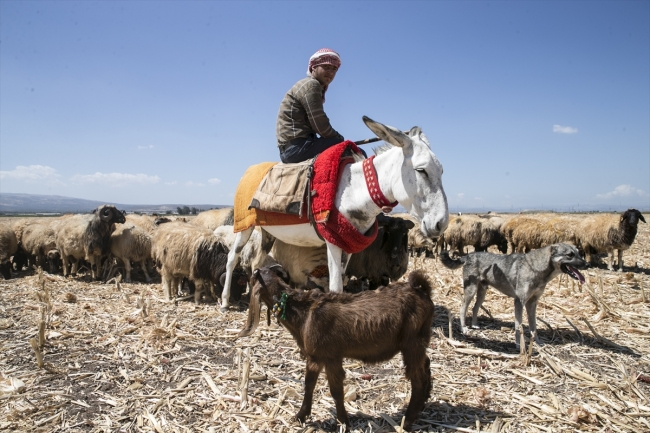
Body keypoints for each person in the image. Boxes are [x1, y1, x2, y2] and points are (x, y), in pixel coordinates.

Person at [277, 48, 362, 163]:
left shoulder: (307, 85)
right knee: (358, 153)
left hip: (292, 148)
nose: (331, 73)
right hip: (298, 148)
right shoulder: (312, 85)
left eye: (334, 69)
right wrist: (339, 139)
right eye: (326, 67)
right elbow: (320, 125)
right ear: (313, 67)